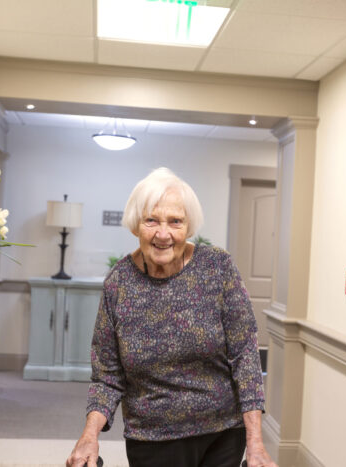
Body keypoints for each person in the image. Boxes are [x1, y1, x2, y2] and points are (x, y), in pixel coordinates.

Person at [66, 168, 277, 467]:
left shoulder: (217, 268)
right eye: (151, 220)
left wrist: (256, 442)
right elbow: (107, 375)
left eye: (175, 222)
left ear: (188, 227)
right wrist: (89, 435)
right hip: (151, 438)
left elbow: (245, 357)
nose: (163, 234)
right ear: (135, 225)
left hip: (223, 434)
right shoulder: (119, 283)